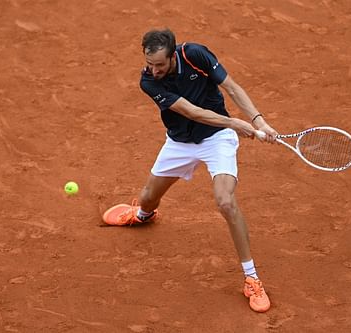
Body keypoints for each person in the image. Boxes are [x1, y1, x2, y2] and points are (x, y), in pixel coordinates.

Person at [102, 28, 278, 313]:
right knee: (147, 197)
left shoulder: (195, 54)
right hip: (180, 144)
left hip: (217, 139)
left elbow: (231, 87)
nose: (153, 69)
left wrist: (259, 121)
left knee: (225, 201)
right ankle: (143, 214)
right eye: (150, 63)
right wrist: (234, 122)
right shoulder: (148, 81)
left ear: (172, 56)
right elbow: (192, 112)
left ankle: (252, 278)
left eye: (159, 64)